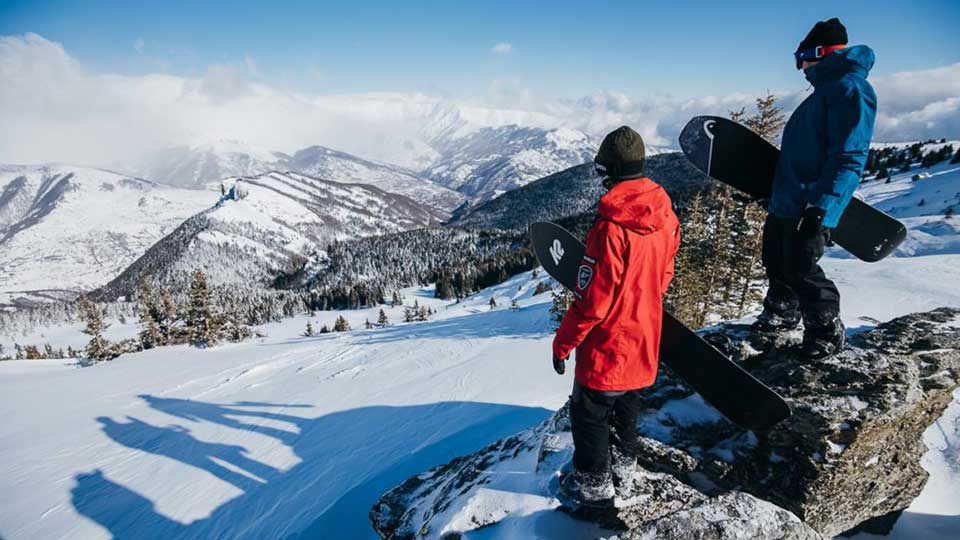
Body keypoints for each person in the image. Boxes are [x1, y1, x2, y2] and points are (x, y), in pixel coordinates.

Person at [552, 126, 680, 505]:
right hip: (644, 336)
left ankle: (594, 493)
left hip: (609, 345)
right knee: (627, 405)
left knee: (588, 415)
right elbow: (664, 274)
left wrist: (563, 343)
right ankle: (624, 473)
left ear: (610, 170)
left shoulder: (611, 228)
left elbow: (594, 301)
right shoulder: (665, 214)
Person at [752, 18, 877, 359]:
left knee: (801, 267)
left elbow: (849, 157)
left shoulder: (851, 89)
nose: (800, 67)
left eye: (800, 58)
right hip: (787, 200)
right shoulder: (824, 93)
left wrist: (822, 207)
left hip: (811, 203)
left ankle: (826, 330)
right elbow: (802, 155)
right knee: (776, 261)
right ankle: (782, 314)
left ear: (818, 54)